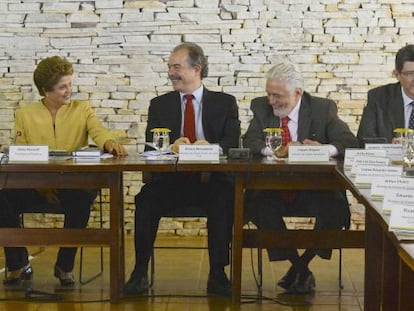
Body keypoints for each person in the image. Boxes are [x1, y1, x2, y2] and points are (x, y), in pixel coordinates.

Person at [123, 42, 240, 297]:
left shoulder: (225, 103)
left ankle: (218, 273)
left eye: (176, 67)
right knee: (145, 201)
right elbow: (150, 148)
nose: (170, 72)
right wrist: (169, 147)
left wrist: (212, 147)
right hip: (171, 184)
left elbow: (233, 144)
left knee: (225, 199)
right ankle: (139, 272)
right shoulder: (159, 104)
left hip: (211, 182)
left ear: (196, 69)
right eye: (169, 67)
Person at [0, 55, 127, 287]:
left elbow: (98, 130)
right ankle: (18, 264)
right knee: (2, 199)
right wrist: (42, 185)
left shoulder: (83, 109)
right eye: (62, 87)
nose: (69, 91)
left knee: (81, 202)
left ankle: (64, 266)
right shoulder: (24, 115)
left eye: (70, 84)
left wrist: (109, 142)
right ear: (45, 91)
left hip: (72, 185)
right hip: (35, 185)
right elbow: (19, 153)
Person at [243, 61, 358, 294]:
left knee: (334, 209)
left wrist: (323, 149)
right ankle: (301, 269)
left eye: (278, 95)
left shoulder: (321, 109)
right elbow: (249, 142)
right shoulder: (261, 108)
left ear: (297, 93)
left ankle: (300, 265)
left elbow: (349, 143)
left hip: (314, 189)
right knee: (256, 206)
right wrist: (274, 151)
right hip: (272, 189)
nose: (271, 101)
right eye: (269, 93)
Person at [357, 44, 414, 146]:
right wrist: (390, 147)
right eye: (410, 73)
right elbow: (364, 140)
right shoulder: (378, 97)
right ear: (397, 75)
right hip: (391, 161)